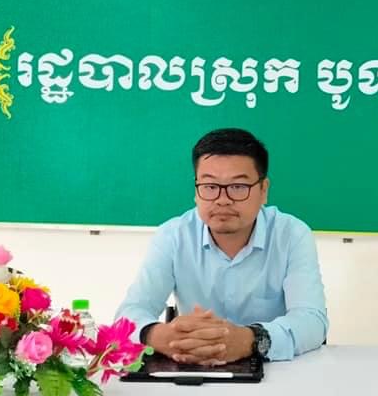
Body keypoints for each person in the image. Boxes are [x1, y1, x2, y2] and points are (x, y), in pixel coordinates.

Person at [115, 128, 328, 363]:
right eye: (210, 186)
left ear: (263, 190)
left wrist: (249, 340)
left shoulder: (292, 235)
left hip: (274, 370)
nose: (222, 199)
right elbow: (129, 313)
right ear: (196, 190)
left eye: (238, 187)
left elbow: (312, 321)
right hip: (193, 367)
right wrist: (160, 335)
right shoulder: (173, 236)